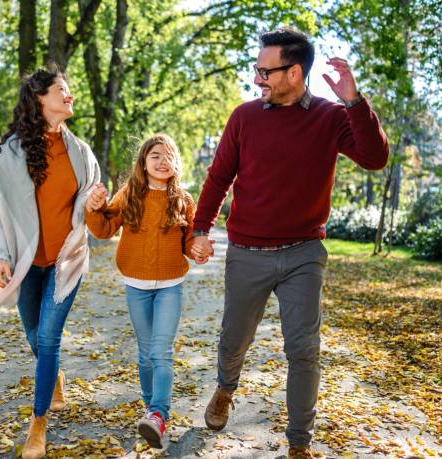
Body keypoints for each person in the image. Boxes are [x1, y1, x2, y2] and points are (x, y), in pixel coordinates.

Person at [190, 28, 389, 458]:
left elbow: (375, 158)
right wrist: (200, 229)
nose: (258, 78)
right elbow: (219, 175)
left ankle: (300, 443)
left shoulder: (332, 117)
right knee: (233, 340)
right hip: (247, 253)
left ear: (294, 72)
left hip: (303, 253)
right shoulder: (244, 116)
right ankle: (225, 389)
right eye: (257, 70)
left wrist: (354, 102)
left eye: (265, 71)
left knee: (303, 349)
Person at [0, 65, 100, 459]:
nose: (69, 94)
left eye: (69, 89)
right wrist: (0, 255)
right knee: (36, 338)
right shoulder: (11, 152)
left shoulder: (82, 153)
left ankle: (37, 425)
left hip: (65, 262)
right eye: (61, 89)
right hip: (26, 263)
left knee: (48, 339)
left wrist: (96, 202)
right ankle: (52, 375)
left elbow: (88, 199)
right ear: (40, 99)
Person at [85, 134, 196, 449]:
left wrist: (198, 247)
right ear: (144, 163)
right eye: (155, 156)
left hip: (170, 287)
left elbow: (188, 241)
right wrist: (95, 209)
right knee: (145, 354)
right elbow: (104, 229)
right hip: (136, 286)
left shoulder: (183, 200)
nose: (163, 161)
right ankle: (151, 411)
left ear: (175, 163)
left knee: (161, 352)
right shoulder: (130, 193)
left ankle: (159, 413)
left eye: (168, 156)